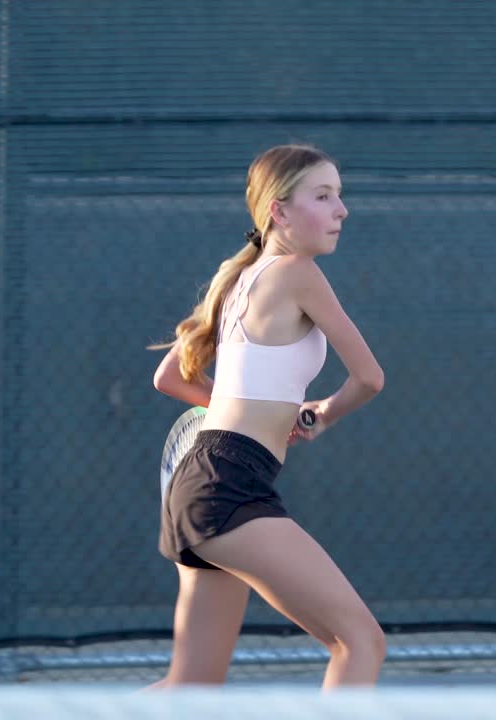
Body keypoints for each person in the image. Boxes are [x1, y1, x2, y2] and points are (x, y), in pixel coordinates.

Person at [148, 144, 386, 689]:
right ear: (279, 211)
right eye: (323, 196)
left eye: (340, 196)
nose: (341, 210)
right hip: (230, 485)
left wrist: (258, 411)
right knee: (361, 642)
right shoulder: (298, 273)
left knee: (192, 690)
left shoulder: (235, 280)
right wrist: (321, 414)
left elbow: (170, 379)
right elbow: (369, 378)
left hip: (200, 482)